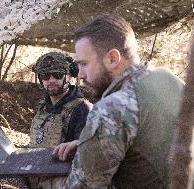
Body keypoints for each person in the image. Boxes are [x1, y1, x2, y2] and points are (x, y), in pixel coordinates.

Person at [41, 14, 184, 189]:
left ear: (112, 59)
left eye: (84, 64)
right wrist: (87, 144)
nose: (80, 75)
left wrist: (42, 180)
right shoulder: (170, 80)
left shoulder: (111, 109)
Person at [29, 52, 92, 188]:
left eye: (57, 75)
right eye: (45, 76)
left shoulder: (81, 109)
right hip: (36, 178)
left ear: (69, 76)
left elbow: (86, 157)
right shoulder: (42, 107)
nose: (51, 80)